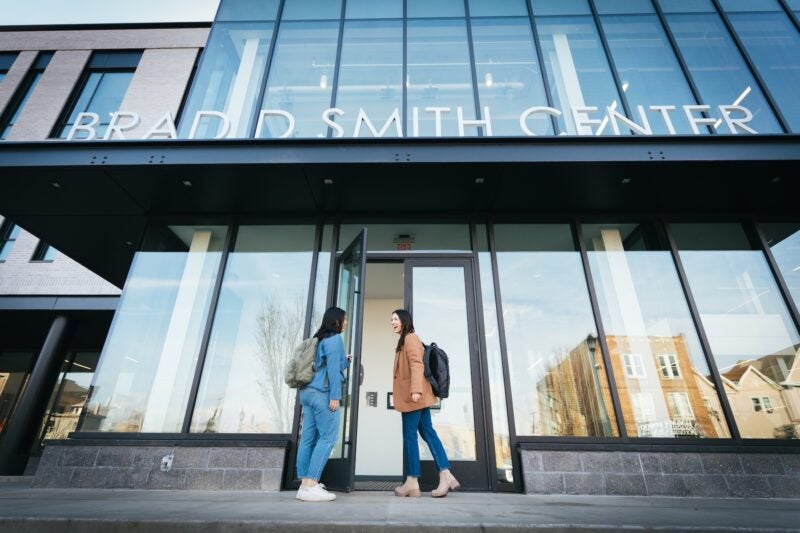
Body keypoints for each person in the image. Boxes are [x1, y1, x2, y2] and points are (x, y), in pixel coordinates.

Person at [390, 309, 460, 498]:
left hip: (414, 396)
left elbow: (416, 363)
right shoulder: (404, 340)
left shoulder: (411, 338)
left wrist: (415, 389)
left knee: (410, 435)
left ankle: (413, 481)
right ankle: (445, 473)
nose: (393, 322)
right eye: (391, 319)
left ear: (405, 321)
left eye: (396, 319)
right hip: (415, 395)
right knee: (427, 432)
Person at [295, 307, 349, 502]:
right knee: (328, 438)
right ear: (336, 321)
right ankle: (312, 484)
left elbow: (325, 365)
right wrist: (336, 396)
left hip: (307, 393)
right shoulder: (335, 340)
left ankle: (303, 486)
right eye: (344, 319)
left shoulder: (318, 340)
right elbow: (333, 371)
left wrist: (345, 360)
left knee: (308, 438)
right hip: (323, 394)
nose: (346, 323)